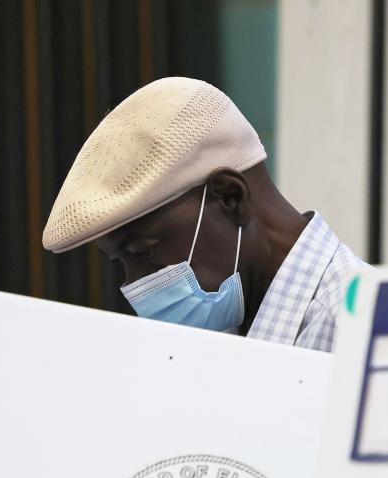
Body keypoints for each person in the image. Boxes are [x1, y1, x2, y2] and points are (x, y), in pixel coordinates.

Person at [42, 77, 365, 352]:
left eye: (144, 251)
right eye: (120, 262)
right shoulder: (222, 333)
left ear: (230, 198)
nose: (135, 284)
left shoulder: (361, 328)